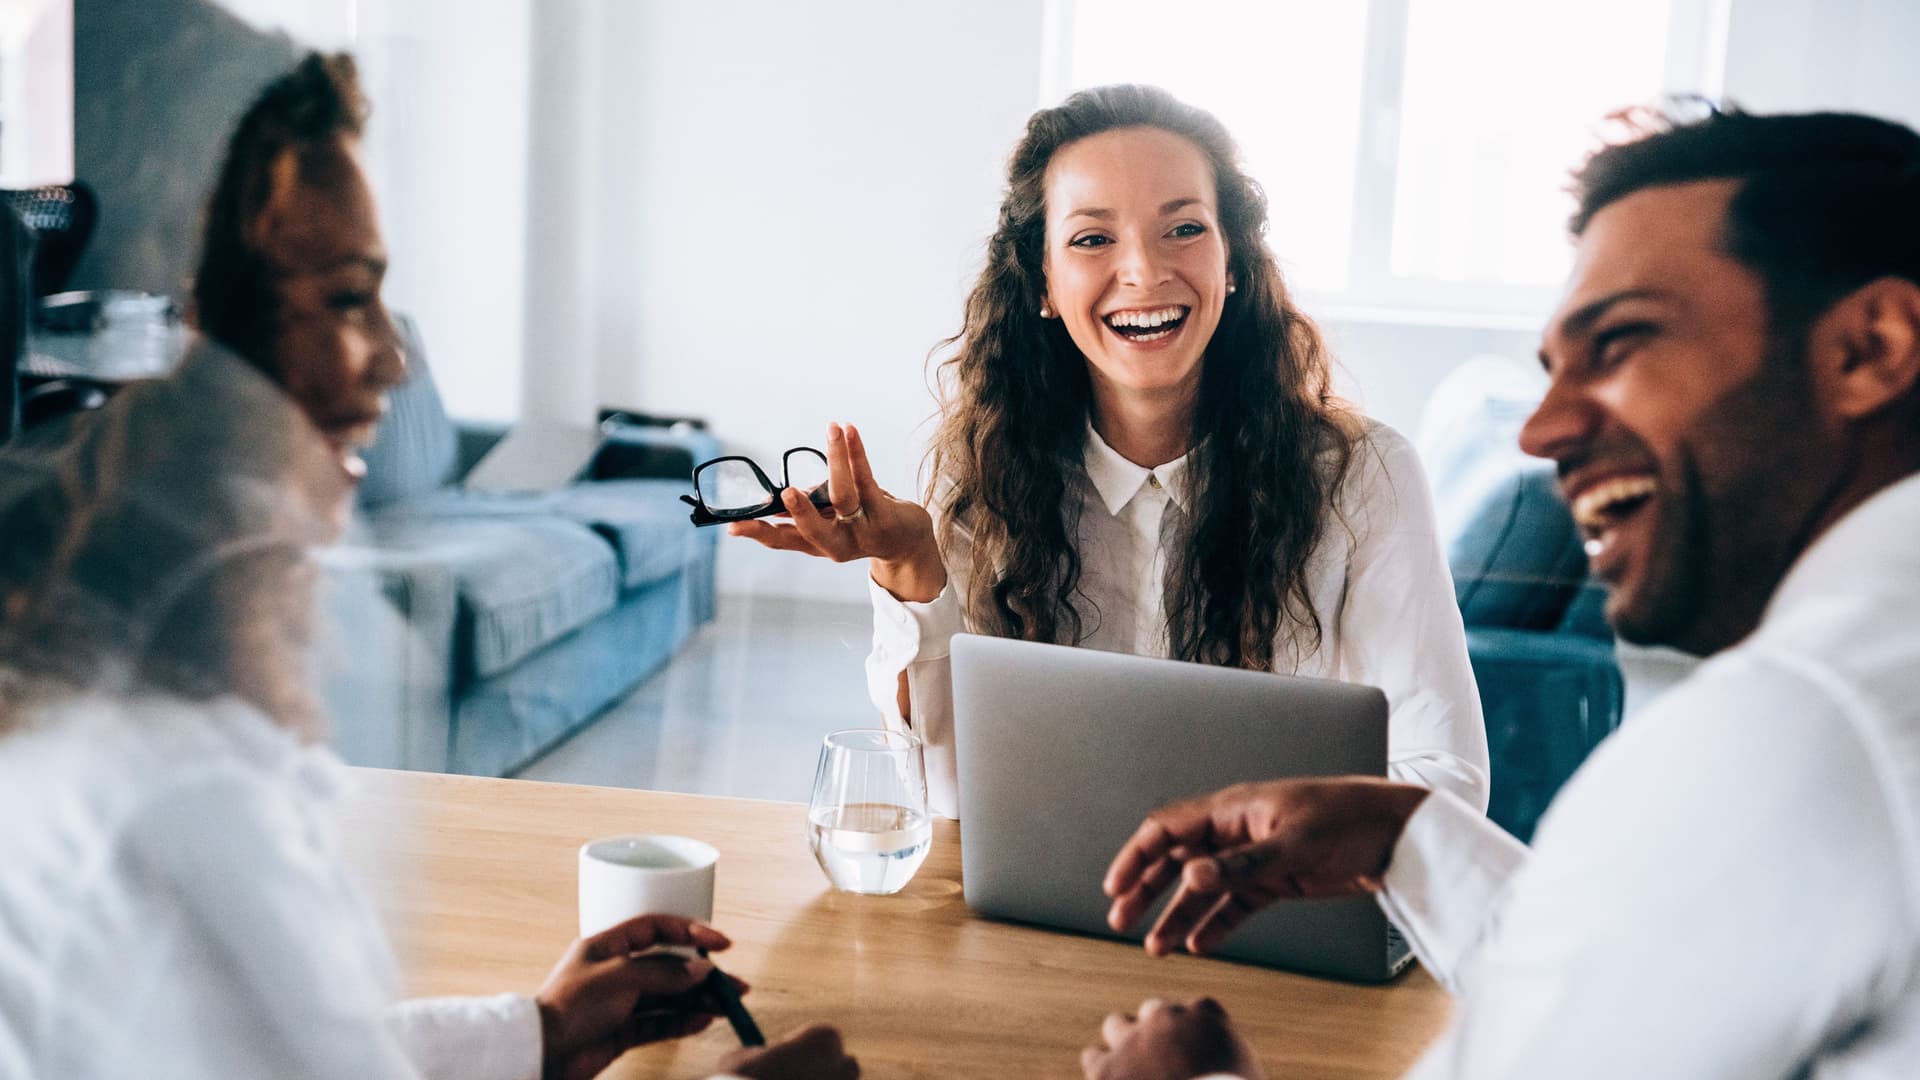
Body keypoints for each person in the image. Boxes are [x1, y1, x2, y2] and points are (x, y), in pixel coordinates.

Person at [0, 53, 856, 1080]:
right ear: (176, 334)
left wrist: (540, 1033)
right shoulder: (177, 782)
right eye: (348, 298)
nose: (394, 361)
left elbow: (288, 1053)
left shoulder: (115, 669)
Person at [1089, 103, 1920, 1079]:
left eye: (1619, 343)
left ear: (1870, 348)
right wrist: (1405, 837)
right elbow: (1633, 995)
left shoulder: (1795, 727)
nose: (1543, 431)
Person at [732, 85, 1489, 820]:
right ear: (1044, 284)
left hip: (1271, 920)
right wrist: (908, 566)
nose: (1145, 272)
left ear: (1233, 259)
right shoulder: (991, 473)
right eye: (1093, 239)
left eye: (1184, 228)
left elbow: (1447, 778)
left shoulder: (1364, 477)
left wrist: (1272, 838)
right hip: (1043, 932)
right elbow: (953, 795)